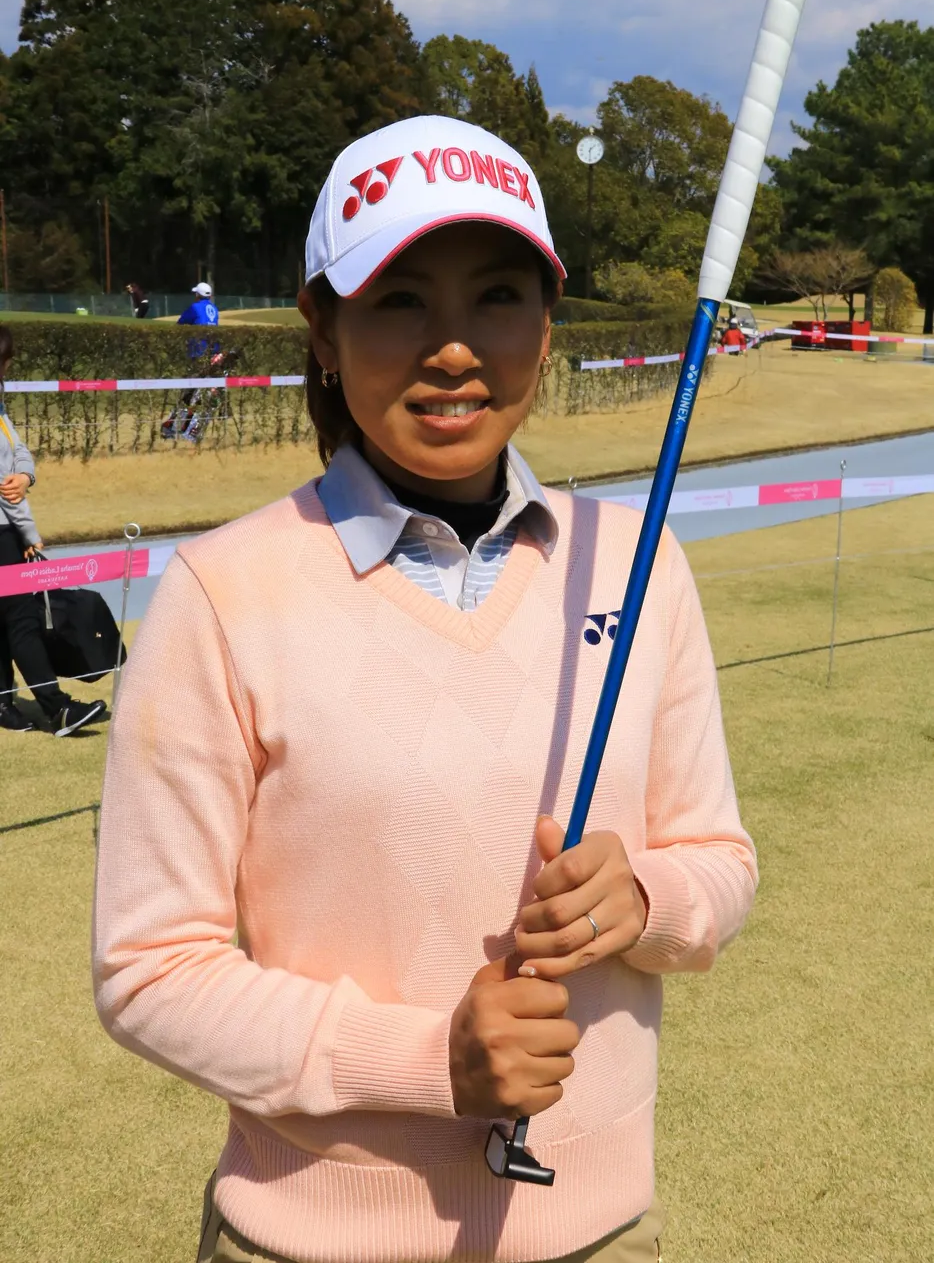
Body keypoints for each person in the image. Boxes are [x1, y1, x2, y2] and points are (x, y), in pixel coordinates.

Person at [92, 115, 758, 1263]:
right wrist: (427, 1059)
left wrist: (645, 896)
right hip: (306, 1240)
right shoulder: (221, 591)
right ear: (323, 328)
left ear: (545, 325)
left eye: (497, 295)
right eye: (400, 300)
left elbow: (720, 859)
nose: (453, 347)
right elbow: (149, 970)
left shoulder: (636, 562)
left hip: (599, 1232)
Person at [0, 327, 108, 736]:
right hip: (4, 528)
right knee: (22, 618)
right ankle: (57, 708)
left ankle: (2, 703)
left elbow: (17, 451)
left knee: (6, 617)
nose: (7, 369)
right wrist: (30, 534)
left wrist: (28, 475)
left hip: (6, 528)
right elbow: (5, 486)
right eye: (5, 361)